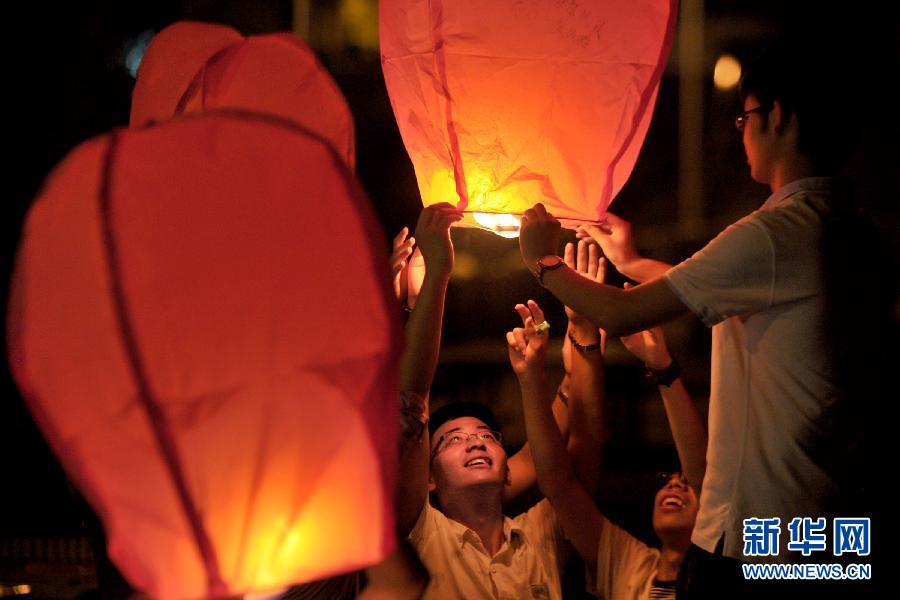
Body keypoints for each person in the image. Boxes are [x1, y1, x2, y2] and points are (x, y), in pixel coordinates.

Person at [516, 35, 879, 583]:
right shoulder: (852, 230)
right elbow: (717, 289)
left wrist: (543, 262)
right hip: (837, 527)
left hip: (764, 536)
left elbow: (623, 315)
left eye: (744, 117)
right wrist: (633, 260)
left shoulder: (776, 233)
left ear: (777, 116)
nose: (742, 133)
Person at [394, 204, 606, 599]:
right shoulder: (417, 535)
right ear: (428, 479)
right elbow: (410, 405)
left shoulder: (543, 534)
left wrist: (582, 331)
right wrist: (438, 272)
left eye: (488, 436)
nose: (474, 441)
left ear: (509, 468)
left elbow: (583, 444)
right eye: (451, 440)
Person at [508, 244, 708, 600]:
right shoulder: (629, 565)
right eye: (667, 479)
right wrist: (580, 331)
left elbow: (705, 474)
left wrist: (663, 367)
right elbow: (559, 484)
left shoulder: (730, 562)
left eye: (683, 482)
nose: (675, 485)